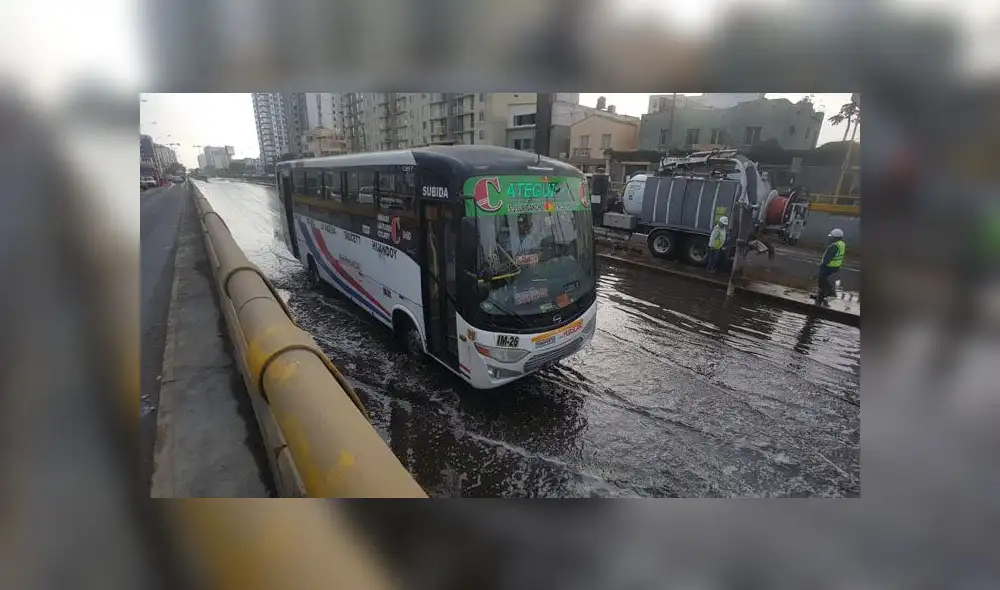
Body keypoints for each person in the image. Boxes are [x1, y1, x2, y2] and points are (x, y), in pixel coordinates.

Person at [815, 228, 846, 306]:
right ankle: (821, 296)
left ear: (835, 237)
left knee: (822, 280)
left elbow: (828, 258)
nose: (830, 238)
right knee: (825, 281)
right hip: (835, 266)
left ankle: (830, 293)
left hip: (828, 267)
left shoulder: (834, 246)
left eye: (831, 236)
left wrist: (822, 266)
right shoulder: (842, 244)